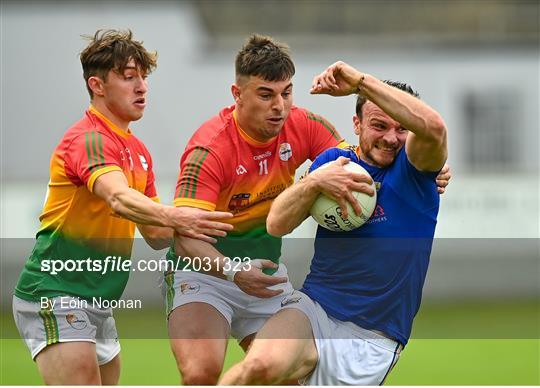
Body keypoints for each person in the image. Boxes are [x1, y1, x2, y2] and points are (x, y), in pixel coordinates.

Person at [164, 37, 450, 385]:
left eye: (286, 93)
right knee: (234, 370)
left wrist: (362, 83)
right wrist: (312, 183)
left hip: (368, 334)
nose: (279, 107)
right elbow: (271, 223)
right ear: (357, 125)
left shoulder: (410, 166)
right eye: (378, 125)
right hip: (229, 279)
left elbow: (431, 130)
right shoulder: (210, 150)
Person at [12, 29, 233, 385]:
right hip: (56, 292)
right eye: (129, 77)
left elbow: (158, 235)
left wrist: (216, 213)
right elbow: (118, 197)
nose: (142, 87)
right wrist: (178, 215)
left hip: (98, 301)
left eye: (144, 77)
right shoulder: (90, 139)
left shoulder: (138, 151)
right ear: (97, 85)